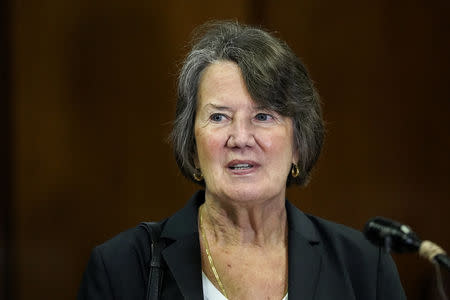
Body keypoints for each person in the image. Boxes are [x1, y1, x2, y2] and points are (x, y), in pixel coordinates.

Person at [78, 21, 406, 300]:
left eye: (263, 116)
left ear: (298, 145)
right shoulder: (121, 268)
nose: (240, 138)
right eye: (219, 117)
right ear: (192, 147)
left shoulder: (364, 267)